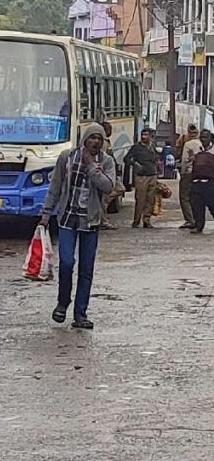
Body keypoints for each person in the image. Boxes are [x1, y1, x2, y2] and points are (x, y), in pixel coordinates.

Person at [40, 122, 115, 330]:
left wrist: (92, 166)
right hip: (67, 218)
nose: (95, 142)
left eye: (99, 139)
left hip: (90, 221)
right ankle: (62, 303)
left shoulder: (106, 161)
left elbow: (108, 186)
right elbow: (55, 186)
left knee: (86, 269)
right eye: (92, 138)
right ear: (85, 139)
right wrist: (46, 214)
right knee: (66, 262)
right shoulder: (67, 157)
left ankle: (80, 313)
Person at [124, 128, 159, 228]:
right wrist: (135, 164)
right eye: (143, 135)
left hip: (152, 174)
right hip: (141, 176)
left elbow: (156, 158)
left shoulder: (152, 146)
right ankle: (136, 220)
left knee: (150, 199)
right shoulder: (136, 147)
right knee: (140, 200)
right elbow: (126, 159)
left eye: (146, 135)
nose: (144, 137)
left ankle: (146, 220)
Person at [188, 130, 214, 234]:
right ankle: (199, 226)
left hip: (210, 183)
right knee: (197, 206)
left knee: (212, 205)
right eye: (202, 137)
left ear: (210, 138)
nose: (203, 139)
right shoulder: (196, 150)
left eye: (205, 137)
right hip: (196, 182)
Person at [180, 127, 202, 230]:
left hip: (189, 172)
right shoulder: (204, 144)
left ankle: (190, 220)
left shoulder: (188, 144)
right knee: (196, 197)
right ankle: (198, 219)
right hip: (200, 174)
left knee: (184, 197)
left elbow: (184, 160)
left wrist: (183, 173)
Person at [98, 121, 119, 229]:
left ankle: (102, 219)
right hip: (103, 174)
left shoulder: (103, 141)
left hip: (105, 173)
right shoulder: (102, 142)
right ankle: (102, 220)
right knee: (103, 199)